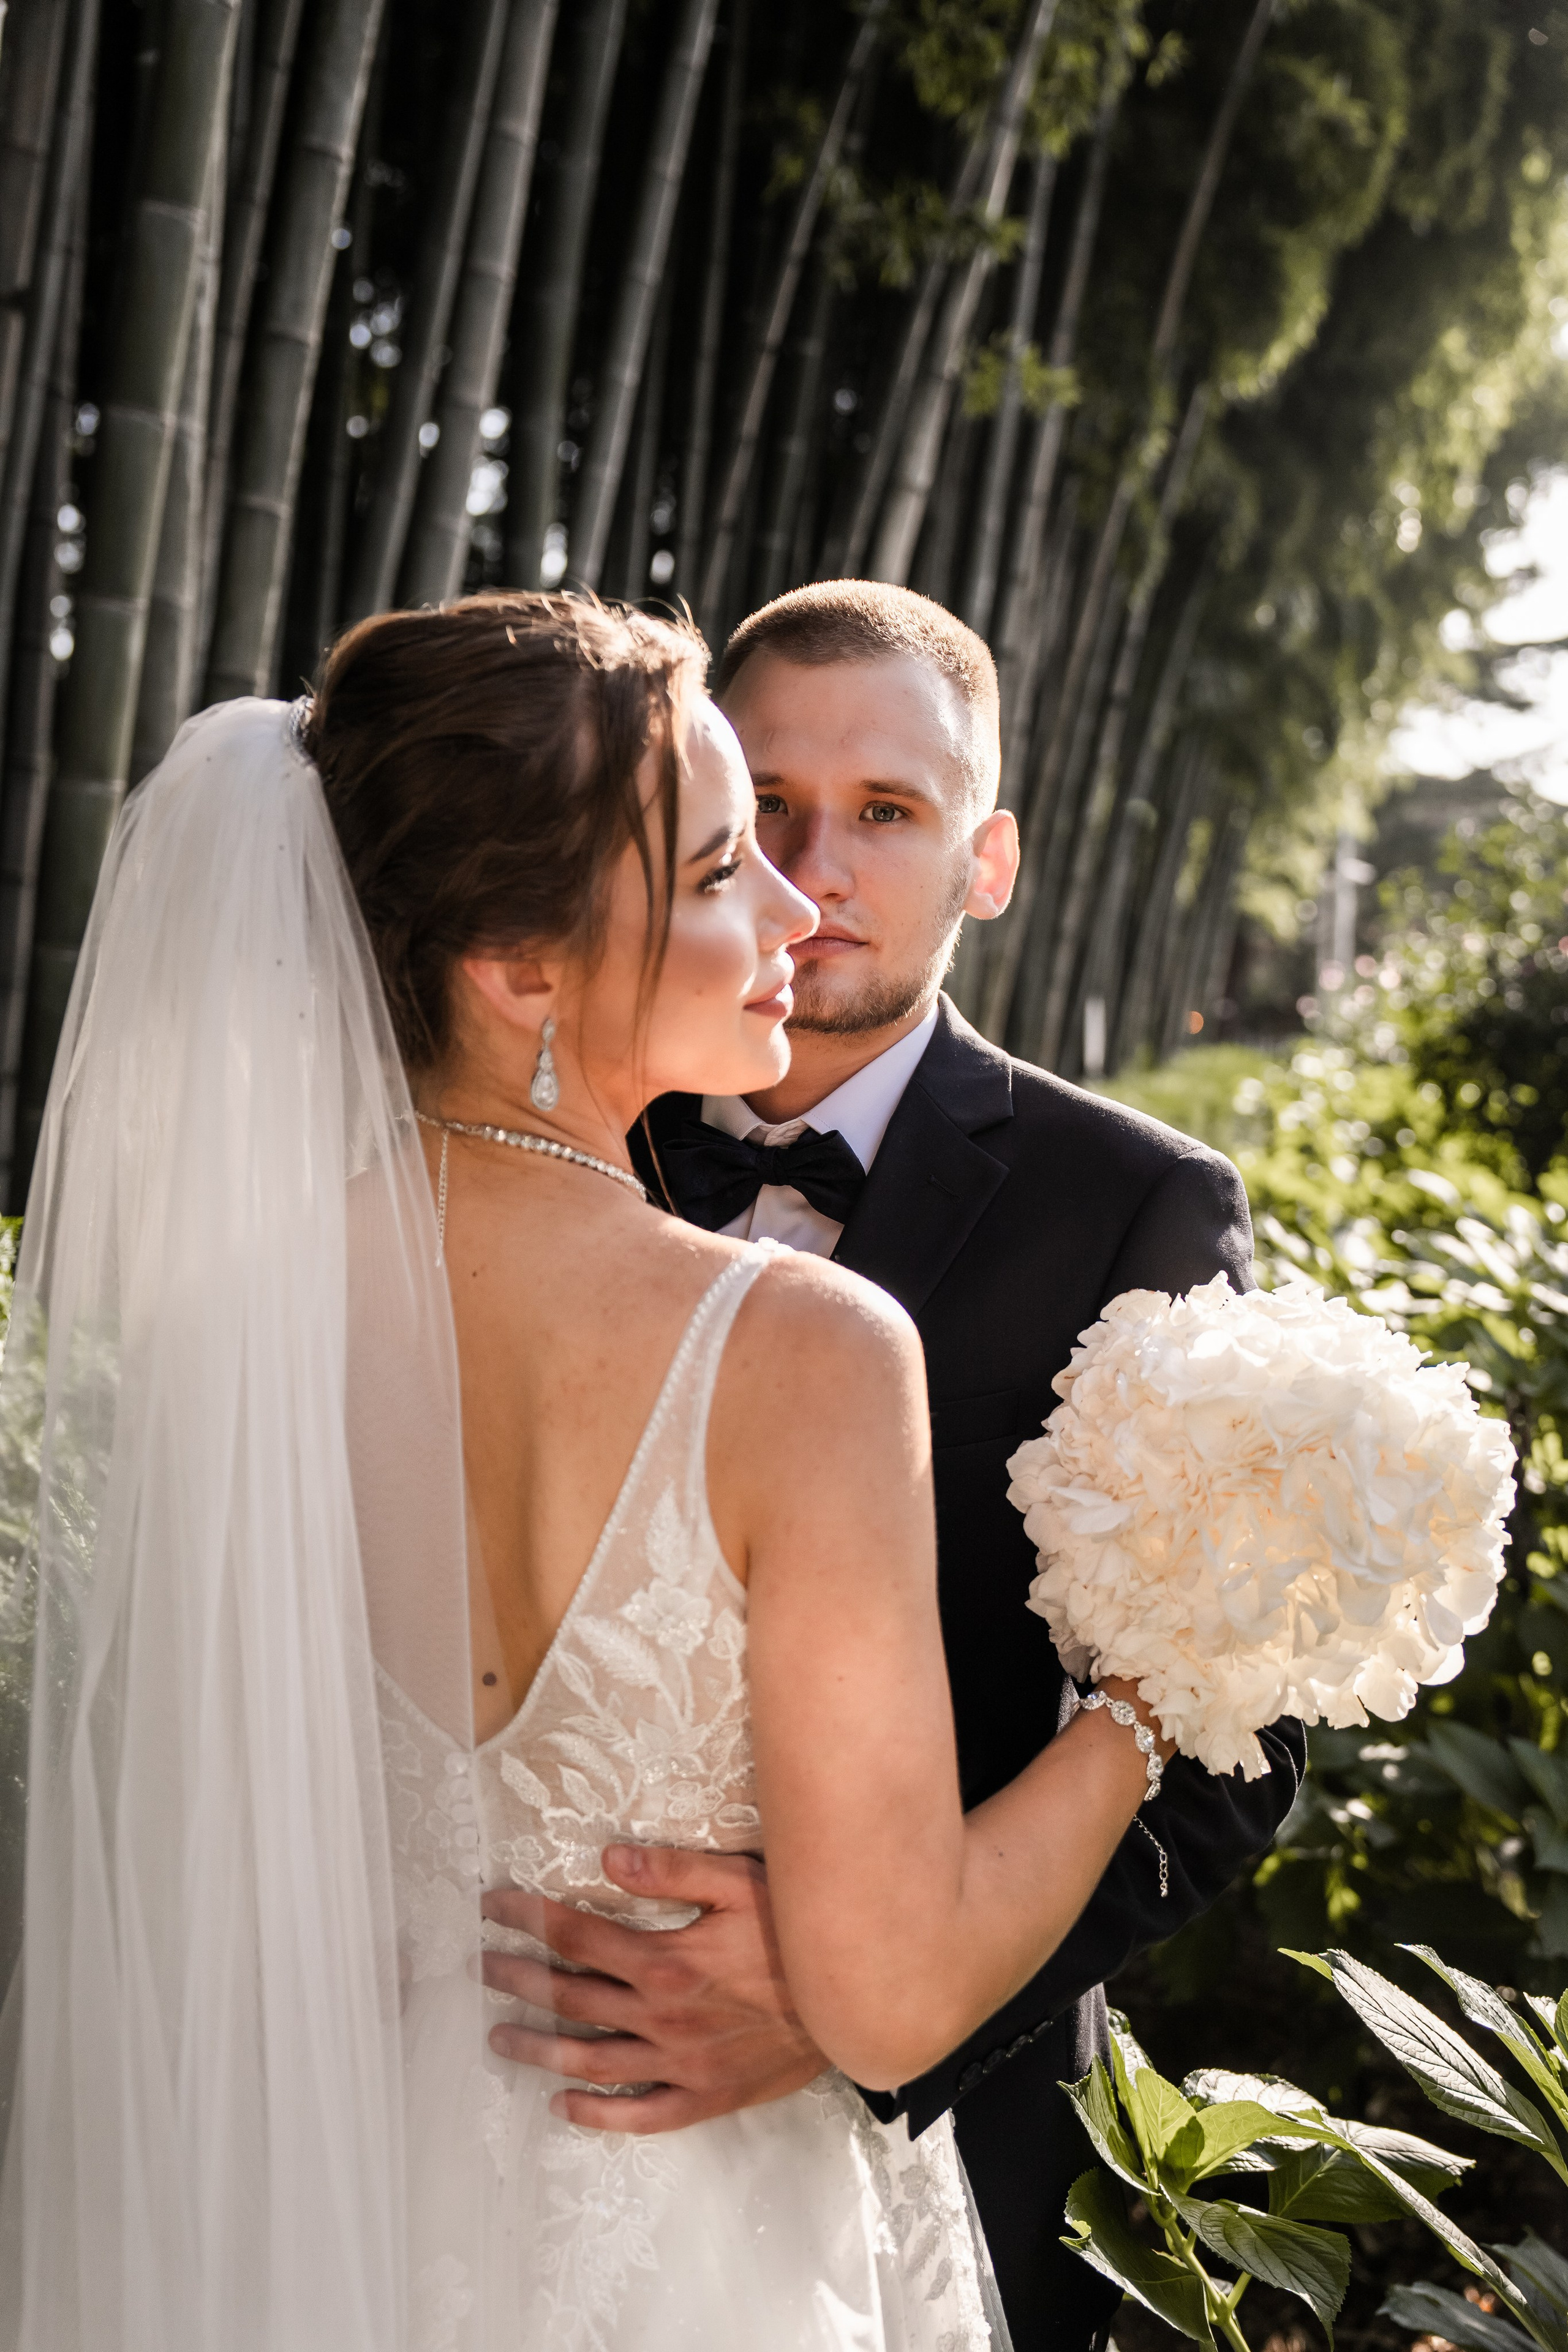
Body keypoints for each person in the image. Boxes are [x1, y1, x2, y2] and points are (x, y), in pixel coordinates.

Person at [0, 593, 1188, 2351]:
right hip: (701, 2244)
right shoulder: (810, 1350)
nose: (797, 903)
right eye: (722, 868)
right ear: (522, 968)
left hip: (317, 2216)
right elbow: (888, 2005)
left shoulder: (213, 1330)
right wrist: (1154, 1697)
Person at [480, 582, 1306, 2352]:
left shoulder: (1139, 1209)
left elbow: (1235, 1732)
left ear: (985, 860)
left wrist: (862, 2009)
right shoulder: (535, 1146)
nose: (815, 869)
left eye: (885, 815)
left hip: (957, 2140)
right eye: (762, 811)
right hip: (512, 2080)